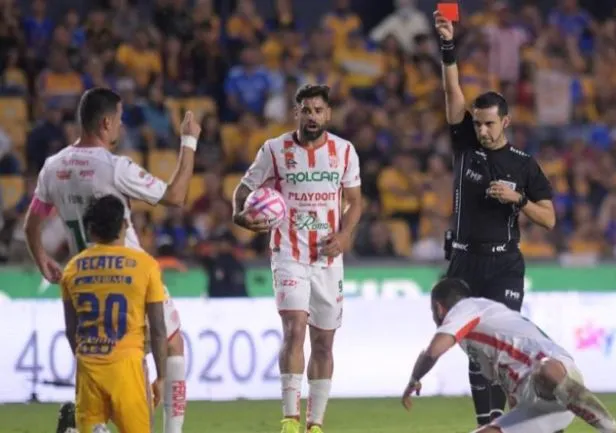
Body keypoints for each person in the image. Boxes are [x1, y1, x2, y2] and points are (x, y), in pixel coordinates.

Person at [24, 87, 200, 433]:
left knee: (126, 362)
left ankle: (86, 421)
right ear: (106, 122)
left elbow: (33, 223)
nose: (120, 127)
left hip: (86, 278)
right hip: (130, 274)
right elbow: (176, 196)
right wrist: (189, 142)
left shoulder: (53, 166)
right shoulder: (114, 166)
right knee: (172, 342)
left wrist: (41, 257)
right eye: (119, 120)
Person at [434, 10, 556, 427]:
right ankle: (487, 422)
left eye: (489, 124)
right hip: (464, 260)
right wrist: (448, 45)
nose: (482, 130)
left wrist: (517, 198)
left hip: (504, 263)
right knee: (473, 346)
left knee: (500, 346)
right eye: (478, 123)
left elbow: (550, 219)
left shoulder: (523, 165)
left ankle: (504, 420)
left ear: (506, 121)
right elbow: (451, 91)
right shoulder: (465, 144)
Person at [232, 84, 363, 433]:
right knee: (294, 328)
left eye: (318, 110)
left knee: (324, 341)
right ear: (297, 113)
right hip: (288, 252)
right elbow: (243, 190)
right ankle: (289, 419)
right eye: (306, 110)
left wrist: (345, 234)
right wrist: (239, 215)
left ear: (328, 115)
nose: (312, 116)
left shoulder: (345, 152)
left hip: (328, 257)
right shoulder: (274, 150)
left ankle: (315, 423)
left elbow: (355, 200)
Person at [400, 277, 616, 433]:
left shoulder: (466, 307)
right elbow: (509, 383)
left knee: (545, 370)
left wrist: (415, 378)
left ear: (439, 308)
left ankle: (610, 429)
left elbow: (434, 351)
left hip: (557, 375)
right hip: (536, 404)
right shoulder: (478, 339)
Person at [59, 195, 168, 432]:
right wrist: (161, 377)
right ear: (124, 225)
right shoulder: (145, 265)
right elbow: (159, 329)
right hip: (127, 367)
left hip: (89, 366)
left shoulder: (72, 268)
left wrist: (85, 360)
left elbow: (71, 330)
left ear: (90, 229)